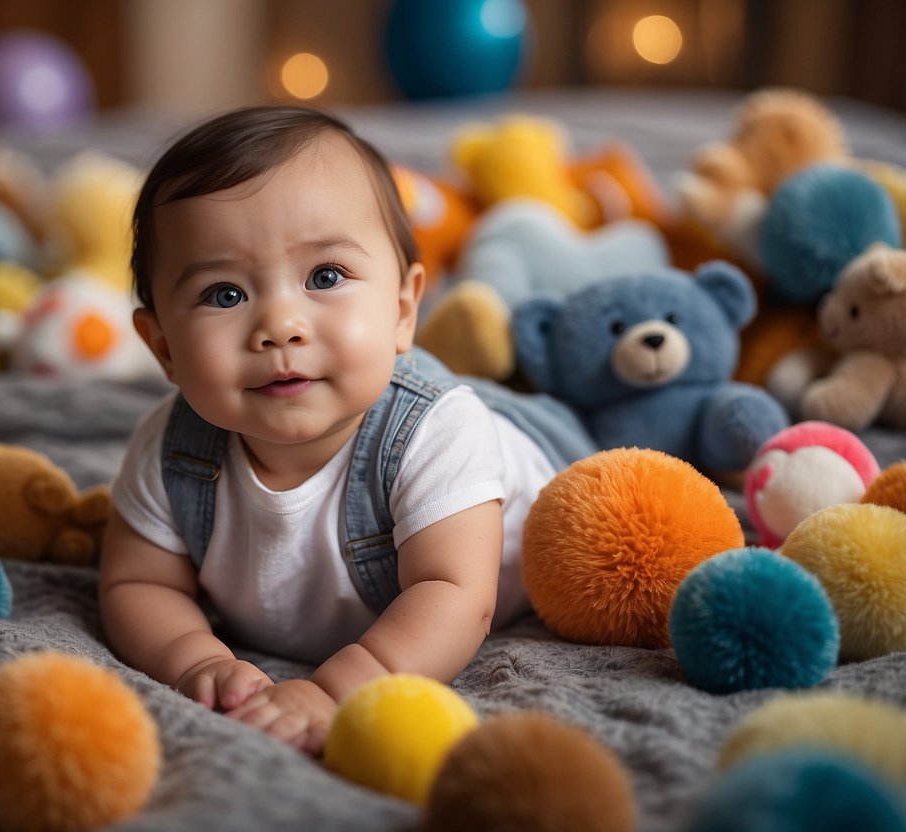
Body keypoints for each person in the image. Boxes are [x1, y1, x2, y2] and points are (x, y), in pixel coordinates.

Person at [99, 105, 593, 755]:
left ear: (401, 308)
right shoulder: (170, 451)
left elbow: (453, 594)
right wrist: (196, 660)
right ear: (161, 345)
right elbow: (137, 584)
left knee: (611, 491)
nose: (280, 325)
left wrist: (338, 689)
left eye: (324, 277)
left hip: (537, 468)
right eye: (224, 294)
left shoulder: (436, 434)